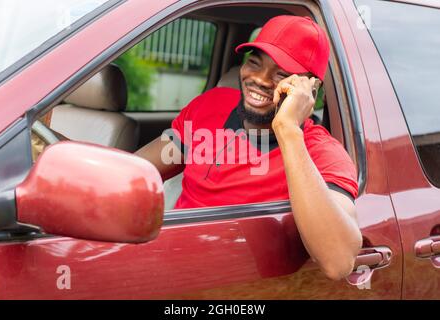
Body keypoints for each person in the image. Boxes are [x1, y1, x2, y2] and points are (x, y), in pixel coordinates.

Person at [136, 15, 362, 280]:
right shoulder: (210, 105)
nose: (261, 79)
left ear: (310, 89)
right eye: (254, 62)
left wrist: (288, 130)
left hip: (231, 283)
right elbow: (135, 173)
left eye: (281, 74)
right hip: (164, 265)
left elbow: (338, 261)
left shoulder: (323, 154)